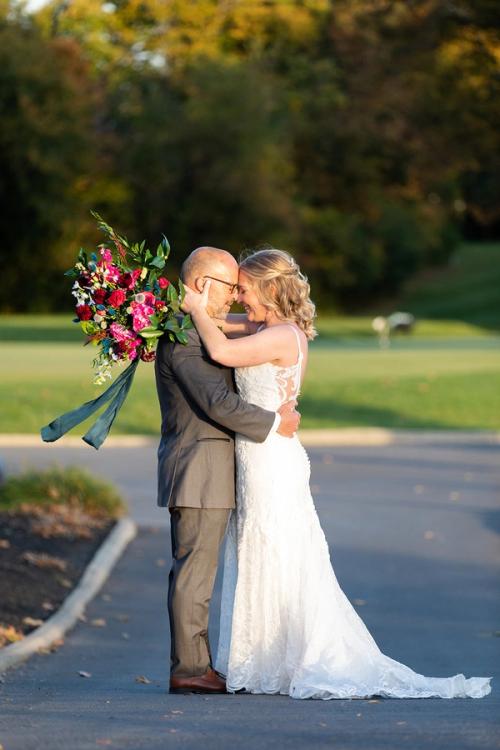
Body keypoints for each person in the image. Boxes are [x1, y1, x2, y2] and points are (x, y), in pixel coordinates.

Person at [181, 247, 491, 700]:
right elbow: (215, 323)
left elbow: (220, 348)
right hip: (256, 456)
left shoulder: (283, 335)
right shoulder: (265, 327)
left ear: (268, 289)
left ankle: (290, 658)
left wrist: (194, 308)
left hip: (272, 460)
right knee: (257, 548)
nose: (238, 300)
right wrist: (184, 305)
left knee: (278, 549)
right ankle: (264, 657)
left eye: (244, 290)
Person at [154, 246, 300, 695]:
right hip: (198, 470)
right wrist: (277, 423)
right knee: (195, 574)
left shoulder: (197, 329)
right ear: (202, 286)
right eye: (227, 288)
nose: (234, 299)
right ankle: (191, 669)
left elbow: (244, 334)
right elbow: (217, 403)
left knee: (201, 572)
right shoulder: (183, 339)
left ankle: (200, 664)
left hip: (213, 471)